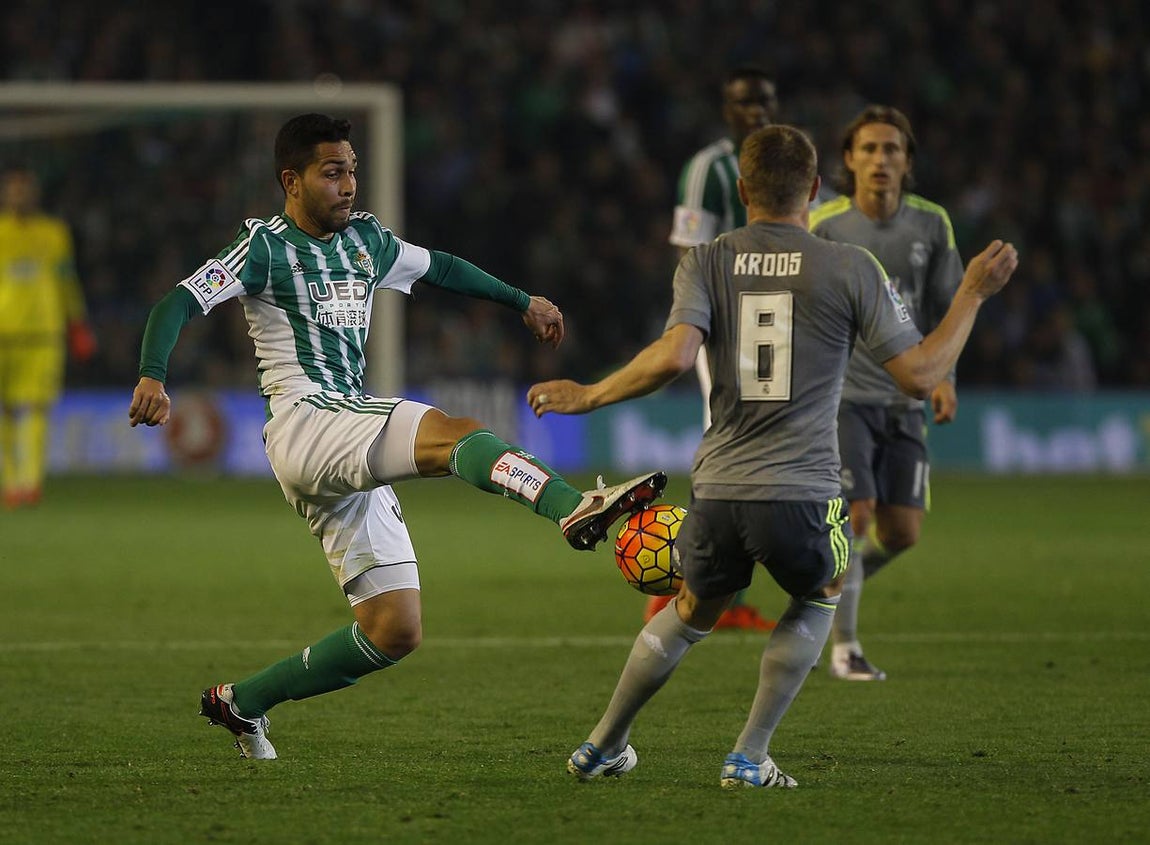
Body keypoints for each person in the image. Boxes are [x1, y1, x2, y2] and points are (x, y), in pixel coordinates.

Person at [127, 113, 666, 760]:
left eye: (352, 170)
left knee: (394, 628)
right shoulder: (262, 247)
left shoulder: (367, 241)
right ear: (291, 181)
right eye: (333, 173)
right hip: (306, 421)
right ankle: (571, 506)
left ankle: (241, 702)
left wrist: (522, 300)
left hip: (342, 435)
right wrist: (153, 374)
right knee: (454, 434)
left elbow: (442, 268)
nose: (349, 185)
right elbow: (178, 302)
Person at [527, 125, 1018, 788]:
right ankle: (749, 755)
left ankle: (603, 742)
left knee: (691, 609)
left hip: (719, 487)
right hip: (802, 487)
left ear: (741, 189)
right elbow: (920, 375)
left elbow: (674, 357)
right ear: (814, 189)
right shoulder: (849, 266)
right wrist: (972, 294)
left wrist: (589, 394)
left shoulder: (706, 260)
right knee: (821, 592)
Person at [809, 105, 964, 681]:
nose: (880, 159)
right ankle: (845, 648)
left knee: (901, 533)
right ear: (849, 160)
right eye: (869, 149)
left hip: (905, 397)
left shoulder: (932, 224)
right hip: (843, 396)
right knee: (856, 515)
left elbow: (947, 308)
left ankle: (824, 587)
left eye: (891, 149)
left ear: (907, 160)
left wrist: (945, 377)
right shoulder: (824, 225)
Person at [653, 64, 781, 632]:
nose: (757, 111)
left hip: (780, 327)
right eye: (745, 102)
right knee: (728, 446)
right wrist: (700, 320)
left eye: (764, 100)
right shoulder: (710, 168)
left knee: (762, 450)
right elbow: (688, 248)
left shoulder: (788, 160)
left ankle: (724, 591)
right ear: (727, 111)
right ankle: (684, 583)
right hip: (727, 328)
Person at [0, 165, 96, 509]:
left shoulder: (54, 233)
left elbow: (66, 280)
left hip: (44, 333)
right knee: (6, 408)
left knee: (38, 407)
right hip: (4, 332)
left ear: (35, 193)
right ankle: (11, 482)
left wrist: (77, 323)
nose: (19, 195)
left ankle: (30, 482)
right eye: (14, 189)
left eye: (24, 188)